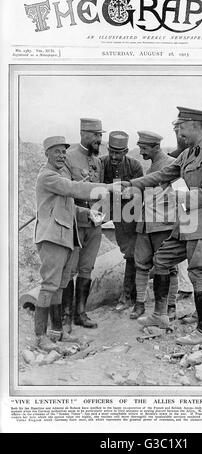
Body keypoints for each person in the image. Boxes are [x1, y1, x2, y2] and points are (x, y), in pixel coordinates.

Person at [121, 107, 202, 345]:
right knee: (162, 260)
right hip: (186, 222)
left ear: (196, 125)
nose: (179, 131)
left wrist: (182, 198)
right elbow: (163, 174)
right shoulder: (189, 154)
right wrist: (132, 183)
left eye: (182, 126)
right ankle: (160, 316)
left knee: (198, 273)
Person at [34, 136, 108, 351]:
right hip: (52, 238)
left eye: (64, 152)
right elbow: (74, 189)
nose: (61, 155)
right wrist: (108, 188)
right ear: (47, 153)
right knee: (49, 285)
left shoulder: (57, 179)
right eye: (56, 151)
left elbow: (70, 208)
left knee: (60, 286)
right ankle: (41, 336)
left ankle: (58, 332)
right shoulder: (48, 176)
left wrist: (89, 212)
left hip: (65, 238)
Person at [61, 118, 105, 331]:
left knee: (87, 268)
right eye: (96, 135)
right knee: (70, 270)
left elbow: (101, 191)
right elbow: (66, 192)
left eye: (100, 135)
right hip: (75, 223)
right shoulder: (68, 158)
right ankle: (66, 316)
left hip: (95, 225)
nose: (99, 139)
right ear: (83, 133)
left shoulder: (97, 161)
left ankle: (80, 313)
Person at [131, 131, 178, 320]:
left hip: (163, 224)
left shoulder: (171, 165)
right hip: (145, 223)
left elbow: (179, 194)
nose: (141, 152)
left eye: (144, 149)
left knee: (167, 266)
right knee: (141, 263)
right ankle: (140, 304)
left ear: (156, 147)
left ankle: (171, 306)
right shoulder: (151, 167)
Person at [101, 131, 143, 311]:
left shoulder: (135, 166)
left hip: (130, 216)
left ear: (126, 151)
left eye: (118, 153)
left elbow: (141, 190)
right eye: (111, 151)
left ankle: (127, 296)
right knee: (127, 252)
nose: (114, 156)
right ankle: (131, 294)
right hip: (110, 214)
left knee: (131, 254)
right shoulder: (102, 163)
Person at [169, 119, 194, 301]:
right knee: (183, 241)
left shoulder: (197, 152)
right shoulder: (176, 155)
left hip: (198, 202)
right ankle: (185, 286)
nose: (179, 134)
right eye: (176, 130)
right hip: (181, 204)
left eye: (181, 129)